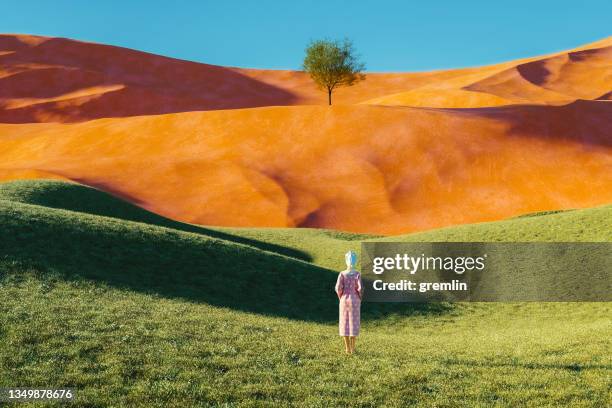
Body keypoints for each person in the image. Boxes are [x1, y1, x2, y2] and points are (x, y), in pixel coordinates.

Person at [335, 250, 362, 354]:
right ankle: (353, 348)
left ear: (346, 260)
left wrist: (341, 297)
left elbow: (338, 288)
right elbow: (360, 289)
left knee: (344, 323)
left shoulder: (342, 274)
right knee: (353, 323)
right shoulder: (357, 274)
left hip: (344, 300)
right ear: (355, 261)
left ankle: (347, 348)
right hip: (355, 300)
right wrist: (359, 298)